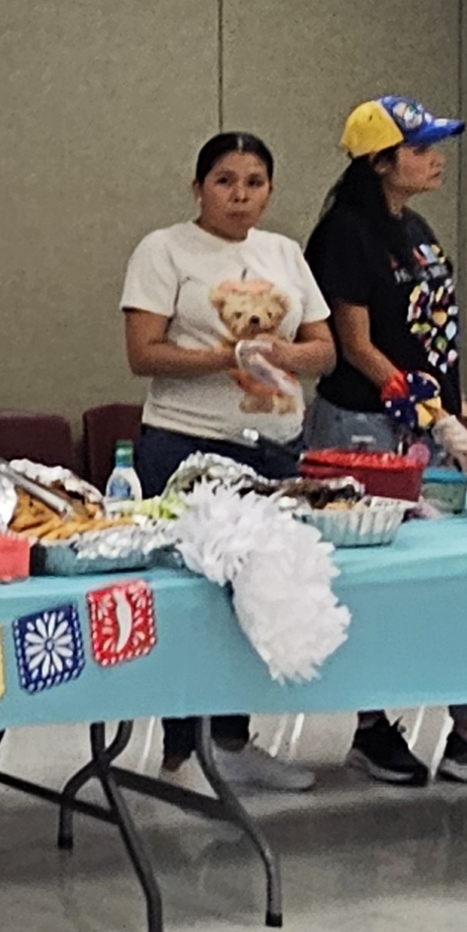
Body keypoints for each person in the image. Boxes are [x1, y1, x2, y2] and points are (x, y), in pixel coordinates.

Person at [303, 96, 467, 790]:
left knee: (448, 573)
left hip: (426, 425)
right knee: (376, 583)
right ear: (379, 161)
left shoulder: (417, 228)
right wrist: (430, 413)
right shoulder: (345, 234)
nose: (435, 159)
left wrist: (455, 407)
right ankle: (370, 727)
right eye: (420, 148)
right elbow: (358, 347)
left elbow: (432, 332)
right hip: (363, 426)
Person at [120, 131, 339, 793]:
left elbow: (325, 349)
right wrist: (228, 358)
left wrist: (287, 355)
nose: (240, 195)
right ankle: (181, 750)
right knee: (194, 599)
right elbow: (143, 353)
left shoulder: (284, 253)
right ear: (198, 188)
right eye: (224, 181)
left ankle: (233, 741)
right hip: (189, 444)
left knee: (259, 592)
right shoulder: (165, 249)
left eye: (254, 182)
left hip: (273, 446)